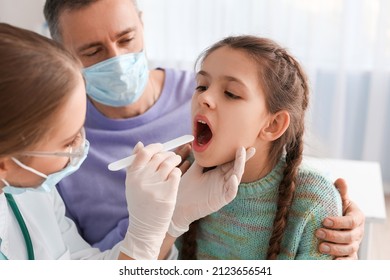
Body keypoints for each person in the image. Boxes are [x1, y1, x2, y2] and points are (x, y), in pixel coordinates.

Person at [43, 0, 365, 259]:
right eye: (93, 52)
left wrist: (336, 219)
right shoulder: (56, 142)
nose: (117, 57)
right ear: (61, 54)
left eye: (126, 38)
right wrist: (166, 221)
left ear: (142, 23)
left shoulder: (196, 95)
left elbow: (281, 168)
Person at [0, 23, 249, 260]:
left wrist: (172, 220)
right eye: (67, 142)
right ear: (4, 164)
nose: (81, 145)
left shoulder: (32, 194)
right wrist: (145, 232)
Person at [175, 35, 343, 259]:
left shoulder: (313, 200)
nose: (204, 97)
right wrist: (166, 217)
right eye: (202, 86)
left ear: (273, 125)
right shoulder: (185, 176)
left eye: (231, 93)